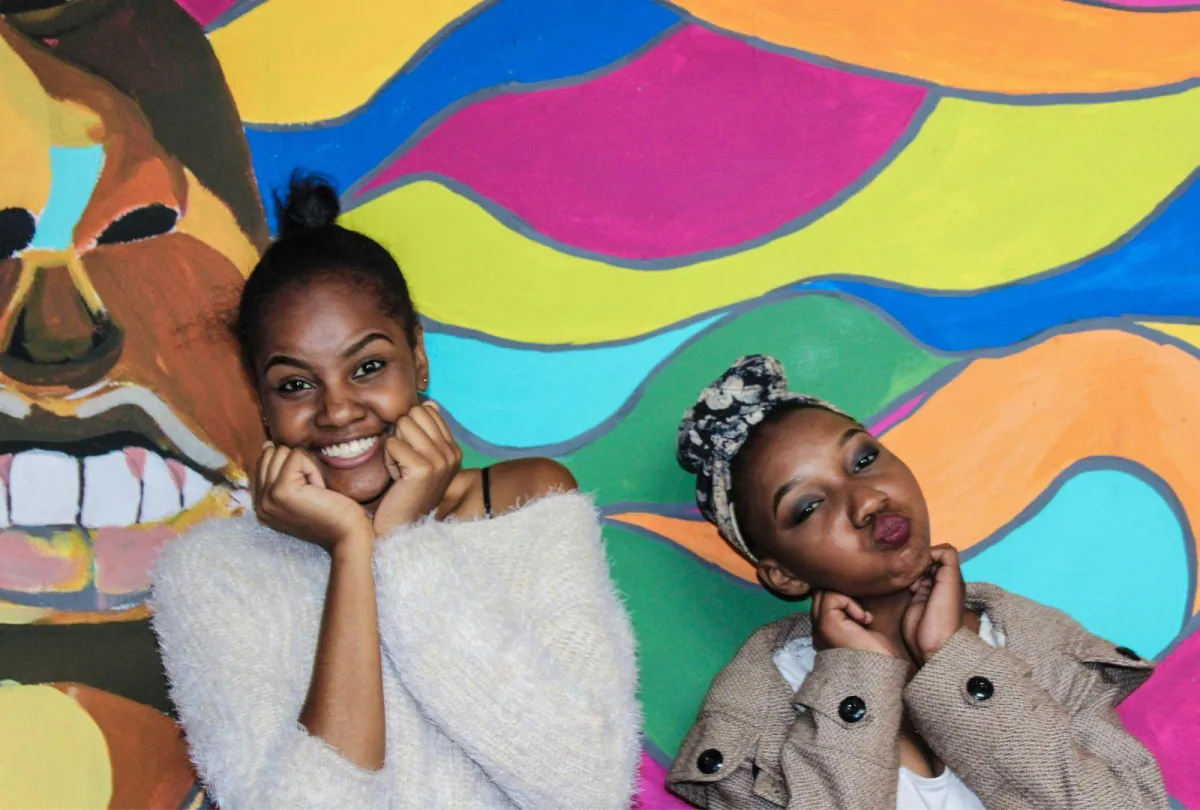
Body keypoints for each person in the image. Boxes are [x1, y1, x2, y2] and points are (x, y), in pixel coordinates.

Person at [150, 174, 640, 810]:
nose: (338, 410)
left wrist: (405, 546)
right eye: (296, 385)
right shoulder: (213, 574)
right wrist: (355, 550)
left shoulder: (528, 506)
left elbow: (588, 785)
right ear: (261, 401)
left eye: (368, 368)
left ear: (420, 357)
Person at [666, 355, 1167, 810]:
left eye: (864, 460)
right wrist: (856, 680)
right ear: (785, 574)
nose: (866, 501)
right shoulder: (756, 709)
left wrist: (954, 661)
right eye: (809, 507)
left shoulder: (1036, 643)